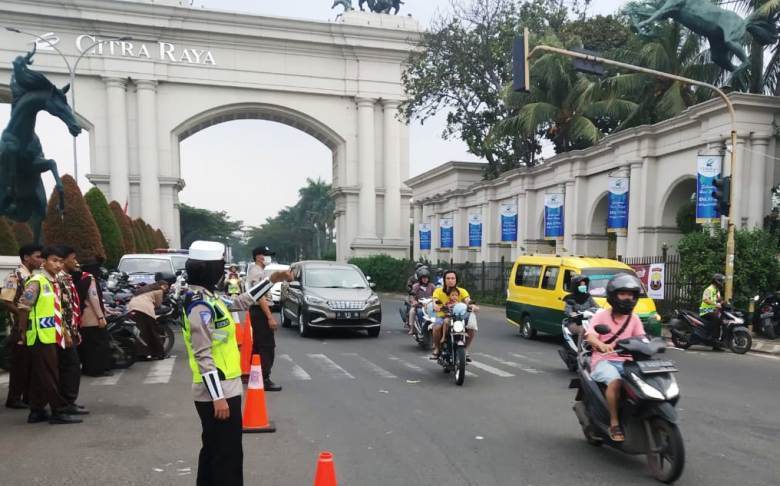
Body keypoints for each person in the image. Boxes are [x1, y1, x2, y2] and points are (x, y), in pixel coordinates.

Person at [182, 240, 292, 486]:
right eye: (219, 267)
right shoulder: (200, 306)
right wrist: (218, 397)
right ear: (209, 270)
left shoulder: (210, 298)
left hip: (222, 387)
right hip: (217, 390)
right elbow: (203, 355)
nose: (222, 272)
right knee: (227, 454)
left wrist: (272, 280)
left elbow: (242, 301)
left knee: (213, 449)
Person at [16, 246, 82, 424]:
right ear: (44, 262)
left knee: (41, 375)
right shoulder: (37, 281)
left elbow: (56, 311)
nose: (58, 265)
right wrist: (22, 332)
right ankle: (58, 411)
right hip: (40, 336)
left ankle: (36, 411)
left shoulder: (53, 282)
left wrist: (65, 332)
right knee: (50, 375)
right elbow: (23, 307)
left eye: (60, 261)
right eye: (54, 261)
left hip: (51, 335)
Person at [584, 273, 646, 442]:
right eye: (622, 294)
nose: (627, 298)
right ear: (613, 296)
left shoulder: (634, 319)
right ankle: (614, 422)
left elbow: (641, 338)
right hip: (604, 360)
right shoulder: (601, 315)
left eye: (630, 294)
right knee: (615, 381)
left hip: (628, 362)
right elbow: (590, 336)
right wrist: (601, 344)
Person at [1, 243, 43, 409]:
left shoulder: (32, 276)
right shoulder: (15, 276)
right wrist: (21, 314)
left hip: (31, 326)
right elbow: (6, 300)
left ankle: (27, 396)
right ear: (26, 257)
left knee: (30, 363)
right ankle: (14, 398)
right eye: (38, 256)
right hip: (19, 327)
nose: (41, 260)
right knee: (20, 364)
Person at [54, 246, 89, 415]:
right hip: (63, 333)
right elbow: (58, 308)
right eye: (72, 258)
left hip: (70, 329)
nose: (76, 262)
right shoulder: (58, 279)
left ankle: (69, 401)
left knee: (71, 367)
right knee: (70, 367)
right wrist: (66, 332)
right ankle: (65, 403)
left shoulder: (67, 278)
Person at [245, 245, 280, 391]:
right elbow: (260, 297)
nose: (268, 257)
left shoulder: (260, 271)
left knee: (259, 346)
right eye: (266, 255)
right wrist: (270, 317)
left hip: (259, 311)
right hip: (260, 311)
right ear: (258, 256)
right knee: (266, 346)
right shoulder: (257, 272)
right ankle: (264, 378)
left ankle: (255, 375)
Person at [430, 270, 479, 359]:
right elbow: (435, 301)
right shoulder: (438, 291)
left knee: (471, 328)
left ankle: (465, 349)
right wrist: (435, 306)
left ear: (456, 280)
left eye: (453, 278)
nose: (450, 280)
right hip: (443, 316)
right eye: (448, 278)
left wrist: (473, 306)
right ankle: (437, 348)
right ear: (444, 280)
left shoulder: (462, 291)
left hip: (459, 317)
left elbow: (468, 300)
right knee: (436, 328)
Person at [75, 262, 112, 377]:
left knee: (87, 346)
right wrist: (100, 316)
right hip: (92, 318)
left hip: (82, 317)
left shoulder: (79, 278)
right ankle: (97, 370)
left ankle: (87, 368)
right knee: (98, 345)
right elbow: (94, 298)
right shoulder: (90, 279)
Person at [127, 272, 175, 360]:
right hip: (143, 309)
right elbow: (158, 304)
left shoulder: (148, 287)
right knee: (152, 333)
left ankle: (141, 354)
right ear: (162, 286)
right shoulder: (159, 290)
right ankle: (160, 354)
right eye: (166, 287)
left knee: (142, 333)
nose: (166, 289)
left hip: (132, 308)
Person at [700, 273, 725, 348]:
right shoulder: (708, 289)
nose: (722, 283)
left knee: (722, 319)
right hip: (705, 311)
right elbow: (705, 299)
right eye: (721, 281)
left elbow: (719, 299)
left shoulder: (716, 290)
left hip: (712, 311)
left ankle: (717, 343)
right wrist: (715, 304)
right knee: (716, 319)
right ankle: (713, 339)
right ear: (717, 281)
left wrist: (723, 302)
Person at [408, 268, 435, 336]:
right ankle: (412, 328)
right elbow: (412, 296)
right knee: (412, 312)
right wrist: (414, 301)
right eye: (423, 278)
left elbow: (436, 295)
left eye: (426, 278)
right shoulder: (416, 286)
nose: (425, 279)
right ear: (420, 278)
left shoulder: (432, 286)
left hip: (430, 305)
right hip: (419, 306)